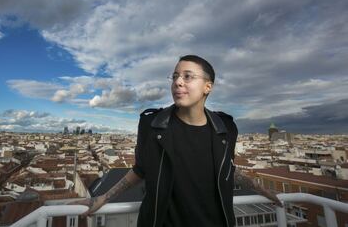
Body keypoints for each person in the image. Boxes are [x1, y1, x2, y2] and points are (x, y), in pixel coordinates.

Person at [70, 55, 282, 227]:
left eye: (188, 76)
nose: (178, 82)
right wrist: (104, 197)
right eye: (174, 77)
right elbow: (141, 169)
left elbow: (226, 168)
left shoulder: (226, 129)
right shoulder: (152, 125)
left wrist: (259, 188)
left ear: (208, 87)